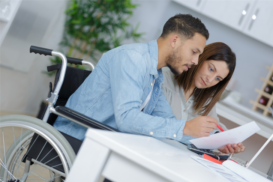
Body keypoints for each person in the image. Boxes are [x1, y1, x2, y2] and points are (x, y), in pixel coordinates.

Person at [54, 13, 216, 143]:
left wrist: (213, 141)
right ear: (175, 41)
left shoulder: (156, 75)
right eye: (194, 52)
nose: (195, 62)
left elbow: (167, 119)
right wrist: (185, 128)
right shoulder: (133, 59)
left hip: (103, 139)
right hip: (78, 136)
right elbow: (127, 118)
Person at [162, 42, 245, 154]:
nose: (210, 80)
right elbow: (158, 124)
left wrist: (225, 142)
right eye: (211, 69)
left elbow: (216, 126)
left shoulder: (205, 97)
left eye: (217, 78)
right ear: (200, 58)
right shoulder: (164, 78)